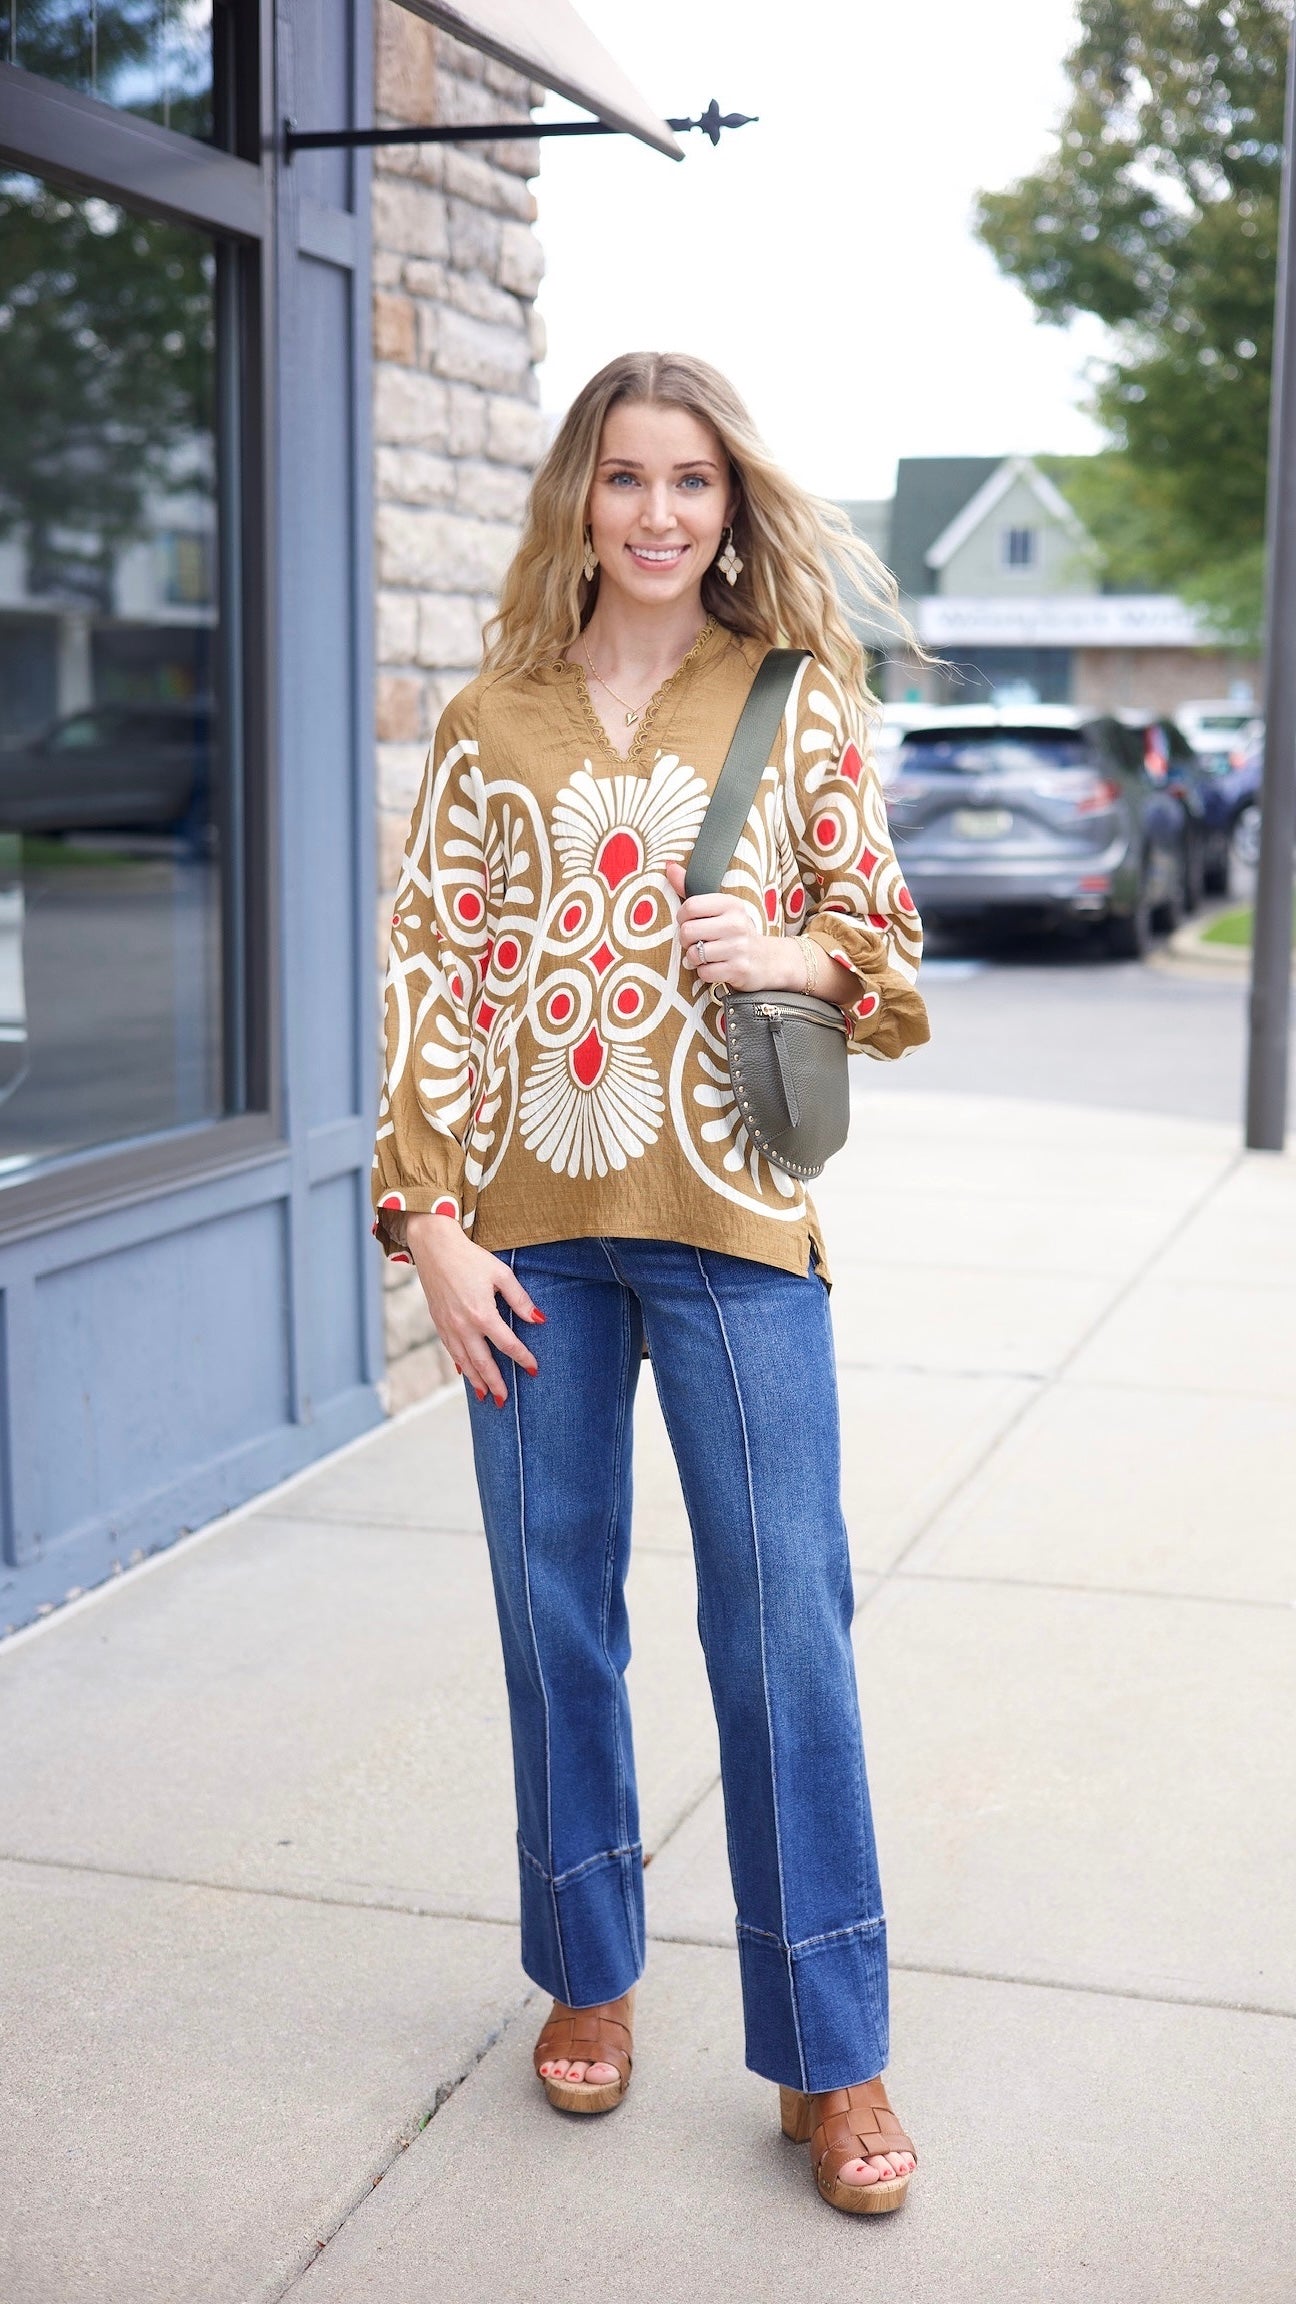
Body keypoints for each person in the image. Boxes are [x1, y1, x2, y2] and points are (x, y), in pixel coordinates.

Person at [372, 351, 930, 2215]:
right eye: (626, 478)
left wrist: (783, 939)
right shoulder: (488, 719)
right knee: (557, 1621)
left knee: (787, 1635)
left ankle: (831, 2053)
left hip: (736, 1231)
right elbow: (431, 970)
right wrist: (427, 1224)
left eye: (692, 480)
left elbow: (891, 958)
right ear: (578, 501)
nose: (661, 512)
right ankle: (587, 1969)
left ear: (730, 502)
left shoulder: (793, 698)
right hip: (527, 1238)